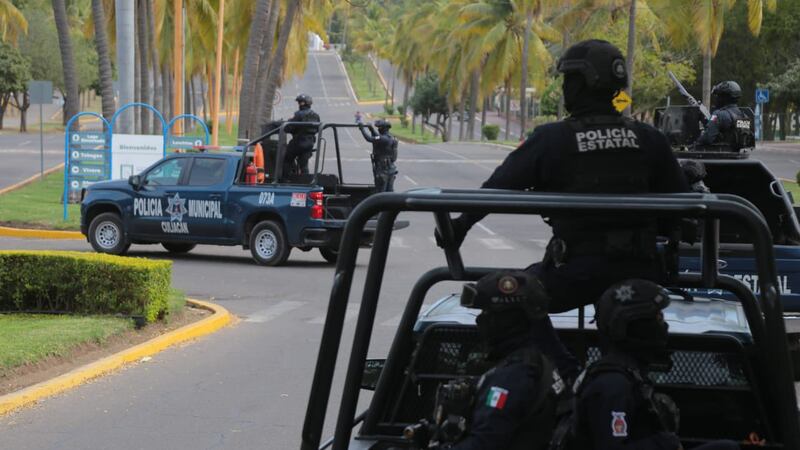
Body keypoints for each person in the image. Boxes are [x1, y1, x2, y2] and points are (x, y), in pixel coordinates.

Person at [435, 39, 690, 381]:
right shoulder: (649, 138)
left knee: (514, 296)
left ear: (585, 83)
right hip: (642, 273)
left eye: (569, 79)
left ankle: (570, 376)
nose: (565, 87)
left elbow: (498, 188)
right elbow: (683, 209)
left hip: (575, 272)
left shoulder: (553, 139)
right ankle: (624, 376)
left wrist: (460, 226)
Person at [562, 279, 739, 450]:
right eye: (658, 318)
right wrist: (664, 443)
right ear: (633, 325)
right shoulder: (613, 386)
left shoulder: (629, 375)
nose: (664, 326)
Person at [427, 271, 565, 450]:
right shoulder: (538, 362)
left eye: (487, 312)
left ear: (508, 319)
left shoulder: (513, 376)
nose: (479, 319)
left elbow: (485, 443)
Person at [694, 81, 753, 152]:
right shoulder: (743, 116)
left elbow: (707, 138)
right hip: (737, 155)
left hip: (719, 156)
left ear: (724, 97)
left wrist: (694, 144)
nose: (716, 99)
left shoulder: (718, 115)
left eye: (718, 96)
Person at [285, 94, 321, 175]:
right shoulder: (315, 115)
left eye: (300, 102)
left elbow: (289, 128)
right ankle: (305, 181)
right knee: (304, 165)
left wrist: (286, 125)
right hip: (309, 144)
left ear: (304, 103)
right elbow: (317, 129)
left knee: (287, 159)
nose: (299, 104)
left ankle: (286, 179)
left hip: (298, 143)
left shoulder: (298, 114)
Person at [359, 119, 398, 192]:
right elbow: (378, 137)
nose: (379, 129)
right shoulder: (390, 138)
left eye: (380, 128)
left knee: (380, 191)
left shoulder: (383, 139)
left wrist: (362, 129)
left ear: (384, 128)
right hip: (390, 169)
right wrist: (371, 129)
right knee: (389, 191)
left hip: (383, 170)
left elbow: (369, 139)